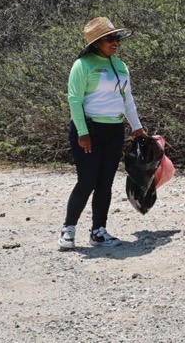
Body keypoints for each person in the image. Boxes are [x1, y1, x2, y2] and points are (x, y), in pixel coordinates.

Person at [59, 17, 149, 250]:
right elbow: (74, 99)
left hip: (114, 130)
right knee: (87, 181)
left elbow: (127, 99)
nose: (115, 42)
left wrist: (137, 127)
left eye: (117, 37)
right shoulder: (83, 65)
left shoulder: (120, 66)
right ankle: (68, 230)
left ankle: (98, 232)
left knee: (105, 183)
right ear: (96, 43)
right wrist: (82, 131)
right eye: (109, 38)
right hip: (89, 130)